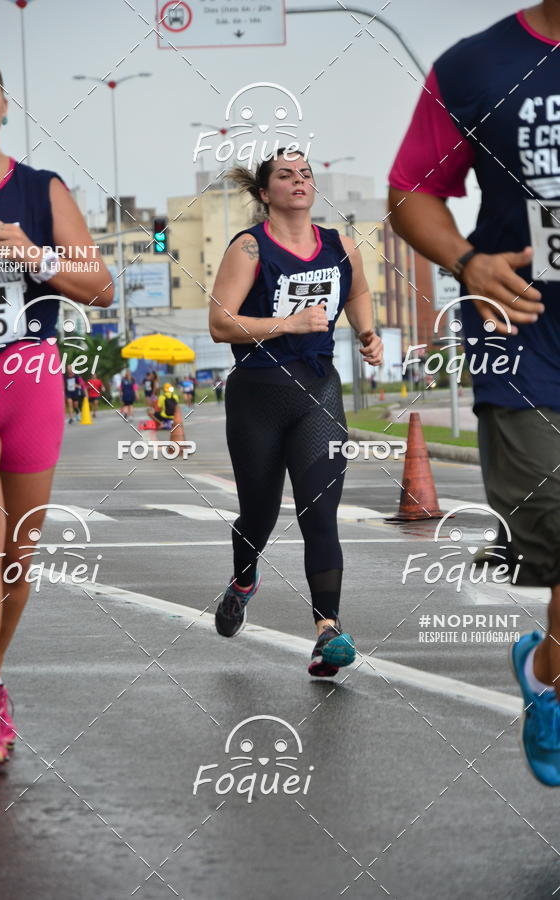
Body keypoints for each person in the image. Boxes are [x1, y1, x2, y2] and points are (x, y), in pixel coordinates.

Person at [388, 2, 560, 785]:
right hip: (522, 343)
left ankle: (547, 678)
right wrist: (466, 261)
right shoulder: (472, 67)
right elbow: (411, 188)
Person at [0, 53, 113, 763]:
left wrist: (35, 257)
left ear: (6, 105)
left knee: (18, 557)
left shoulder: (39, 190)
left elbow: (101, 287)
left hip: (30, 374)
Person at [209, 149, 383, 676]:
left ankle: (326, 632)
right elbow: (220, 323)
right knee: (258, 517)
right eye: (285, 175)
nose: (299, 180)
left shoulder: (338, 244)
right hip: (257, 396)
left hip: (318, 394)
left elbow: (359, 291)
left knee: (319, 512)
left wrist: (367, 332)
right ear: (266, 193)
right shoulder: (250, 247)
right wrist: (285, 324)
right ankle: (243, 580)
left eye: (306, 173)